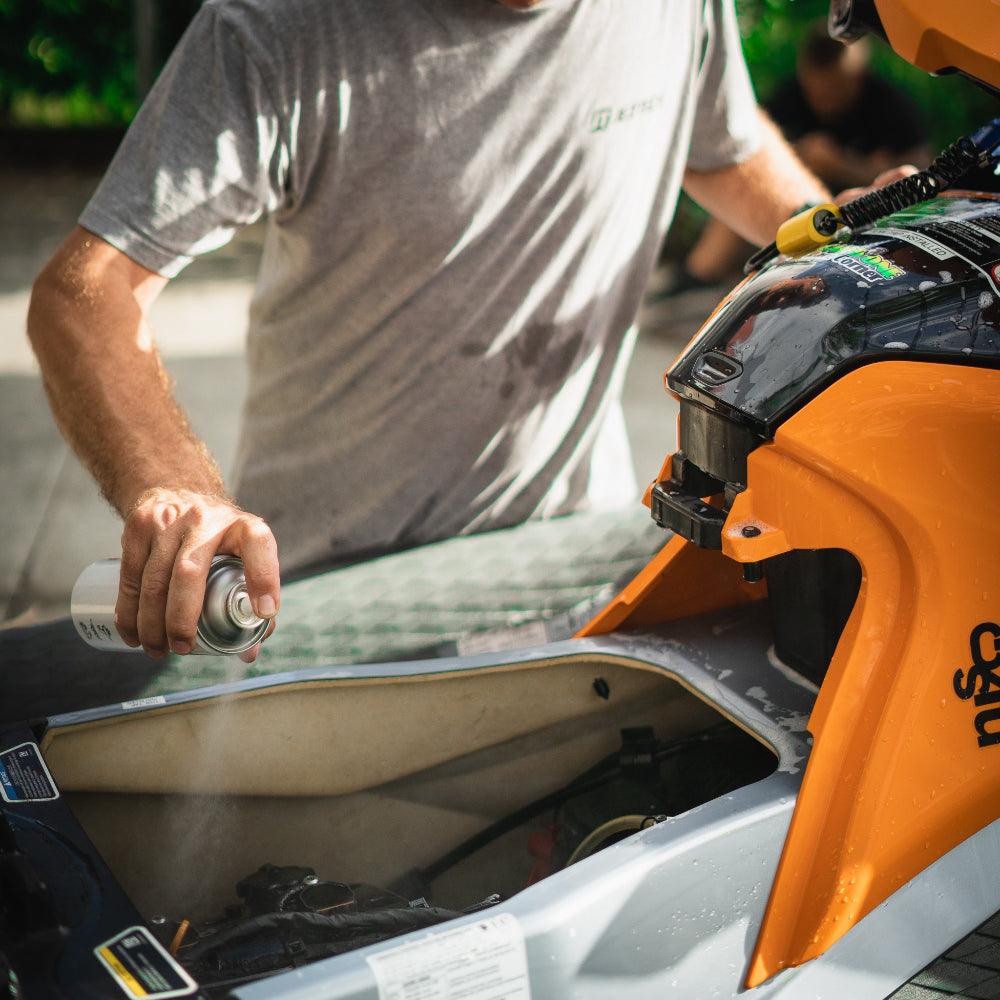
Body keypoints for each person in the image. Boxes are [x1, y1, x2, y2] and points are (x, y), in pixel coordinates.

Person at [25, 0, 893, 665]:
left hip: (574, 565)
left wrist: (829, 227)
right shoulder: (280, 28)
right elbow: (85, 295)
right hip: (335, 602)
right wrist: (180, 491)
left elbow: (720, 145)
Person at [678, 20, 928, 291]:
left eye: (834, 94)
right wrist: (804, 157)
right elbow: (743, 155)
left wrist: (845, 166)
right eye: (815, 94)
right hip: (801, 210)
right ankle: (695, 277)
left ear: (857, 76)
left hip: (858, 208)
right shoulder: (790, 96)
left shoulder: (889, 104)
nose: (823, 103)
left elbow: (920, 173)